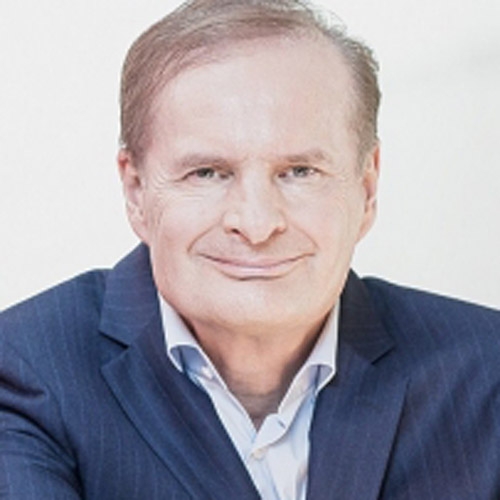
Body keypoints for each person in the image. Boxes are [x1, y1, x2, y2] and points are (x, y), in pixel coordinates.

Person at [1, 0, 499, 498]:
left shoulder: (487, 367)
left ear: (367, 188)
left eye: (299, 172)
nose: (257, 225)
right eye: (208, 173)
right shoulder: (28, 373)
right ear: (136, 191)